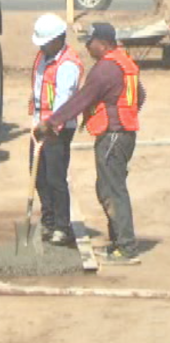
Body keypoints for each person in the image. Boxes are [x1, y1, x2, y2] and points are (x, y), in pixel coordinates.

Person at [36, 22, 146, 265]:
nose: (87, 46)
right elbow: (141, 94)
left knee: (112, 191)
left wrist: (51, 122)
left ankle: (126, 248)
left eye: (90, 41)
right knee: (108, 188)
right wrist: (127, 117)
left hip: (113, 136)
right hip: (123, 134)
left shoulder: (105, 68)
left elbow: (81, 100)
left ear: (104, 43)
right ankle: (119, 243)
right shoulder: (123, 62)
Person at [28, 13, 84, 247]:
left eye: (46, 41)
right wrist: (36, 122)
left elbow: (63, 99)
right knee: (38, 176)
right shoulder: (44, 56)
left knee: (55, 178)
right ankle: (48, 220)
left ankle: (62, 227)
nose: (41, 46)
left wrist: (50, 125)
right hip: (39, 124)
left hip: (57, 128)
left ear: (59, 39)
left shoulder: (67, 64)